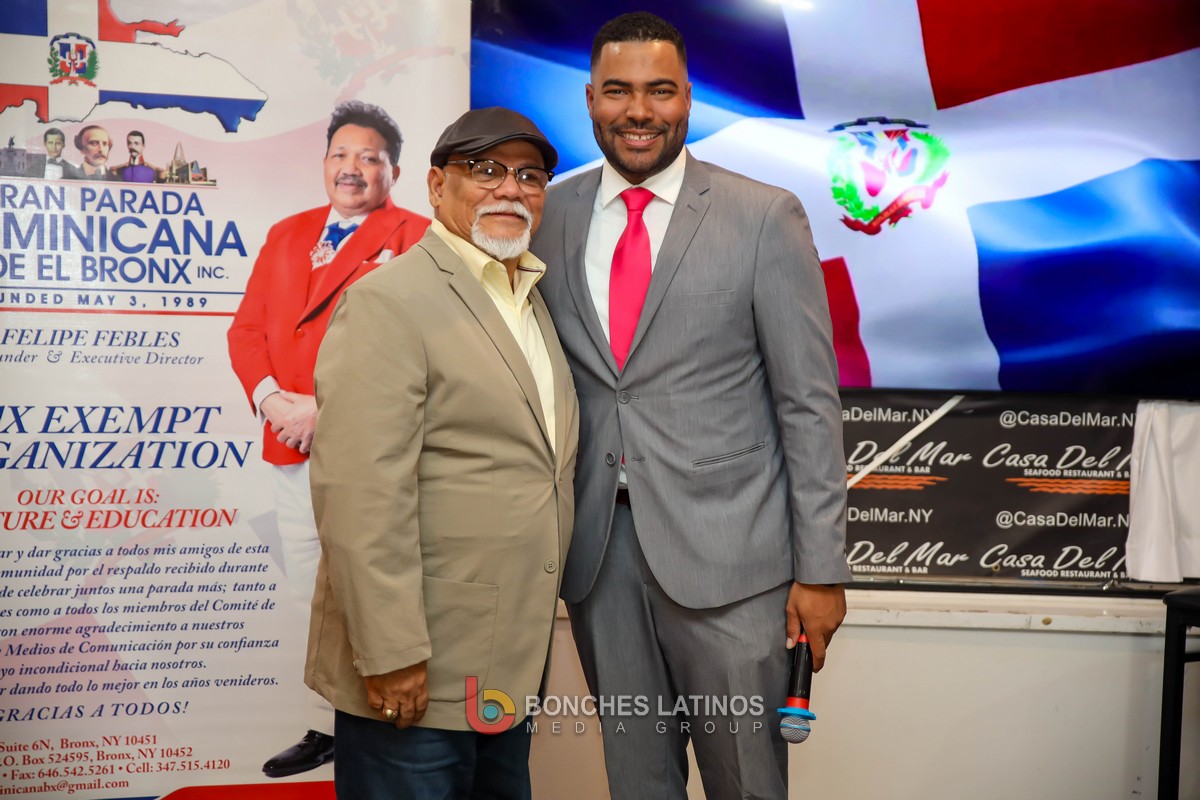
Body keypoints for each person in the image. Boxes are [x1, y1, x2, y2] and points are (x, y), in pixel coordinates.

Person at [530, 12, 851, 799]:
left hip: (735, 561)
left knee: (746, 782)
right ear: (590, 100)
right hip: (600, 557)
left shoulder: (763, 216)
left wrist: (821, 571)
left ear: (688, 98)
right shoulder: (550, 216)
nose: (639, 110)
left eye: (660, 90)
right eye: (618, 91)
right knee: (637, 782)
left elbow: (808, 406)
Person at [305, 106, 577, 799]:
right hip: (418, 669)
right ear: (434, 185)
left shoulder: (529, 300)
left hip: (504, 668)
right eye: (485, 170)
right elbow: (360, 495)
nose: (510, 189)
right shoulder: (390, 301)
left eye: (529, 176)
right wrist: (390, 653)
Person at [227, 100, 430, 779]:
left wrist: (328, 411)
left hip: (368, 453)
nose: (352, 168)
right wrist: (272, 402)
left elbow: (420, 352)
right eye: (341, 155)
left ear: (393, 170)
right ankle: (326, 724)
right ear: (324, 164)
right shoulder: (286, 234)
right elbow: (246, 330)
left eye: (369, 158)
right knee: (307, 592)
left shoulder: (420, 238)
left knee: (369, 585)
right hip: (289, 443)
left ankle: (375, 720)